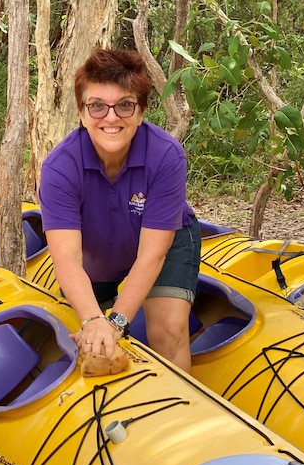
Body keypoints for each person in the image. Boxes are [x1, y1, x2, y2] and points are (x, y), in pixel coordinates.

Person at [38, 48, 201, 373]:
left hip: (166, 242)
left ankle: (179, 411)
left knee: (168, 329)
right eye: (97, 106)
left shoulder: (166, 156)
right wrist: (95, 320)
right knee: (87, 334)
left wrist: (118, 321)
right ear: (82, 113)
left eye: (124, 105)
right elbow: (66, 257)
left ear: (141, 112)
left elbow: (152, 254)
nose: (111, 117)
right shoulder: (60, 167)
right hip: (96, 246)